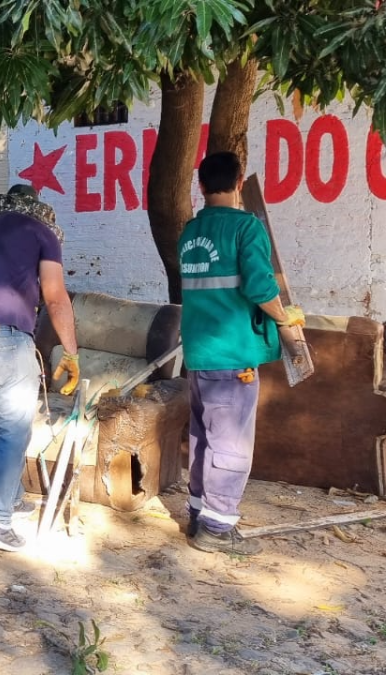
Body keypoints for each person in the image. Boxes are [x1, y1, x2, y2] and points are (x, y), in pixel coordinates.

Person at [179, 151, 304, 556]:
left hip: (199, 354)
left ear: (201, 187)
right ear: (237, 185)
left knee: (203, 437)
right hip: (233, 355)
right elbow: (259, 287)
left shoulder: (189, 232)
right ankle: (217, 528)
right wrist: (284, 319)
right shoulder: (245, 227)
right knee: (230, 443)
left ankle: (198, 515)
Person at [0, 185, 80, 552]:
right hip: (7, 339)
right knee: (13, 428)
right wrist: (70, 353)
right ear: (38, 210)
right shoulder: (42, 232)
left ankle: (10, 500)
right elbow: (55, 295)